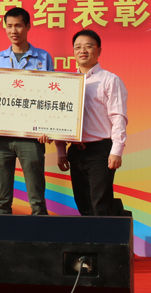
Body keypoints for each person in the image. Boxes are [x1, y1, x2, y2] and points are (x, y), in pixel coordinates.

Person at [0, 7, 54, 215]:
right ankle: (2, 234)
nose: (13, 31)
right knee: (2, 199)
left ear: (28, 27)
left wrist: (47, 128)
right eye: (9, 26)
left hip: (31, 136)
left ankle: (40, 233)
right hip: (2, 135)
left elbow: (51, 95)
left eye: (18, 26)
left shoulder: (43, 57)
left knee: (37, 199)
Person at [55, 29, 128, 216]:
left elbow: (118, 117)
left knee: (100, 205)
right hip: (76, 152)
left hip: (100, 151)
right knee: (83, 205)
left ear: (99, 50)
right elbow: (59, 117)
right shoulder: (65, 83)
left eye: (88, 46)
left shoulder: (109, 80)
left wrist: (116, 150)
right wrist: (61, 151)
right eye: (78, 47)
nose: (82, 51)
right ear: (73, 52)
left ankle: (106, 236)